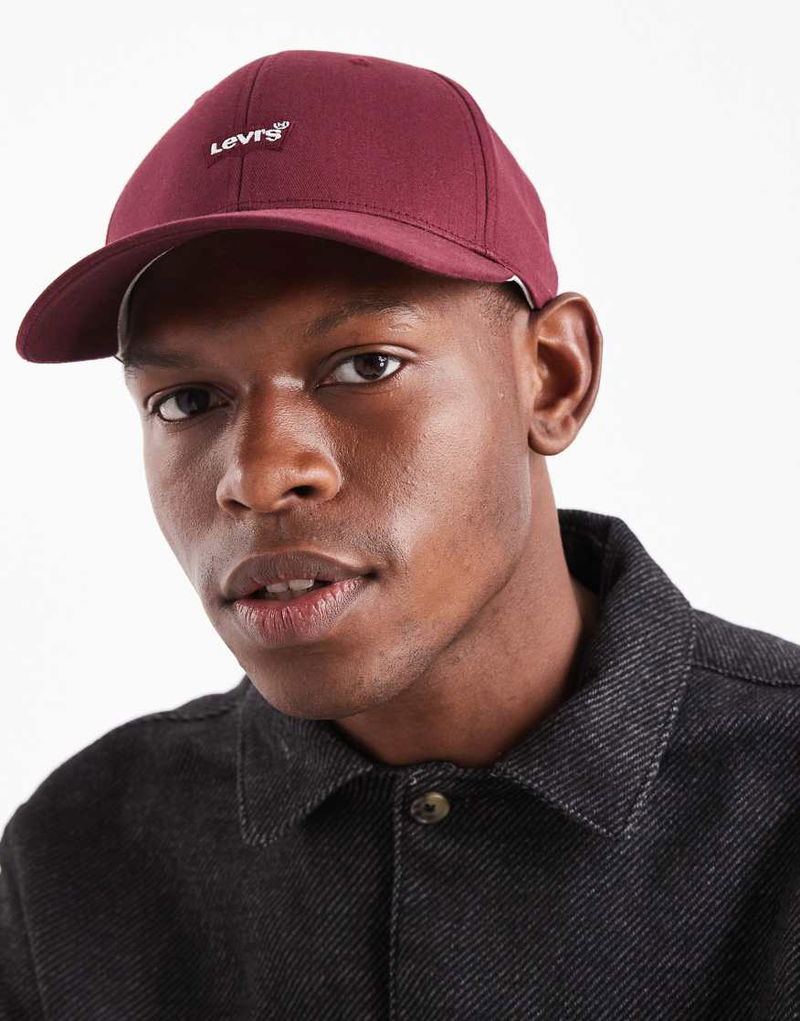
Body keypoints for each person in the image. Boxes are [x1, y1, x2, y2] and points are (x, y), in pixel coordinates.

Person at [3, 49, 799, 1020]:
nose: (259, 475)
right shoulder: (76, 860)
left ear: (553, 377)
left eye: (365, 365)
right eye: (187, 400)